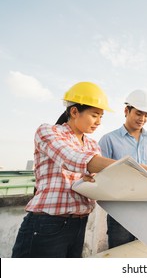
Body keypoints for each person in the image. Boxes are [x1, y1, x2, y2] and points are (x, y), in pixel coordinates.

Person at [12, 82, 117, 258]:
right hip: (47, 223)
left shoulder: (92, 145)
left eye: (101, 116)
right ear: (75, 112)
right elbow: (71, 158)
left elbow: (95, 177)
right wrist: (130, 167)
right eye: (94, 115)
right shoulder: (48, 131)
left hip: (79, 224)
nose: (99, 122)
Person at [98, 89, 147, 249]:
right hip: (120, 210)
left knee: (144, 253)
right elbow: (100, 174)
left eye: (146, 115)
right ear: (126, 111)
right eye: (139, 113)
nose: (142, 119)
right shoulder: (108, 140)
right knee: (120, 253)